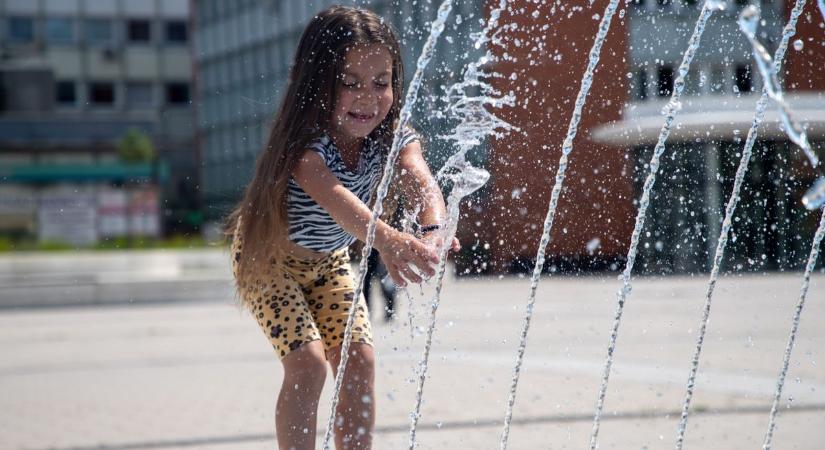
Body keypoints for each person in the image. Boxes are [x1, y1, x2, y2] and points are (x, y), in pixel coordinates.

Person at [226, 6, 458, 449]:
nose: (368, 98)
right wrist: (389, 240)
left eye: (381, 82)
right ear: (319, 82)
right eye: (349, 83)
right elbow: (340, 204)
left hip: (330, 265)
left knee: (360, 360)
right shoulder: (306, 147)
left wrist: (433, 230)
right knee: (308, 364)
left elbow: (421, 179)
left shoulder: (392, 138)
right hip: (268, 260)